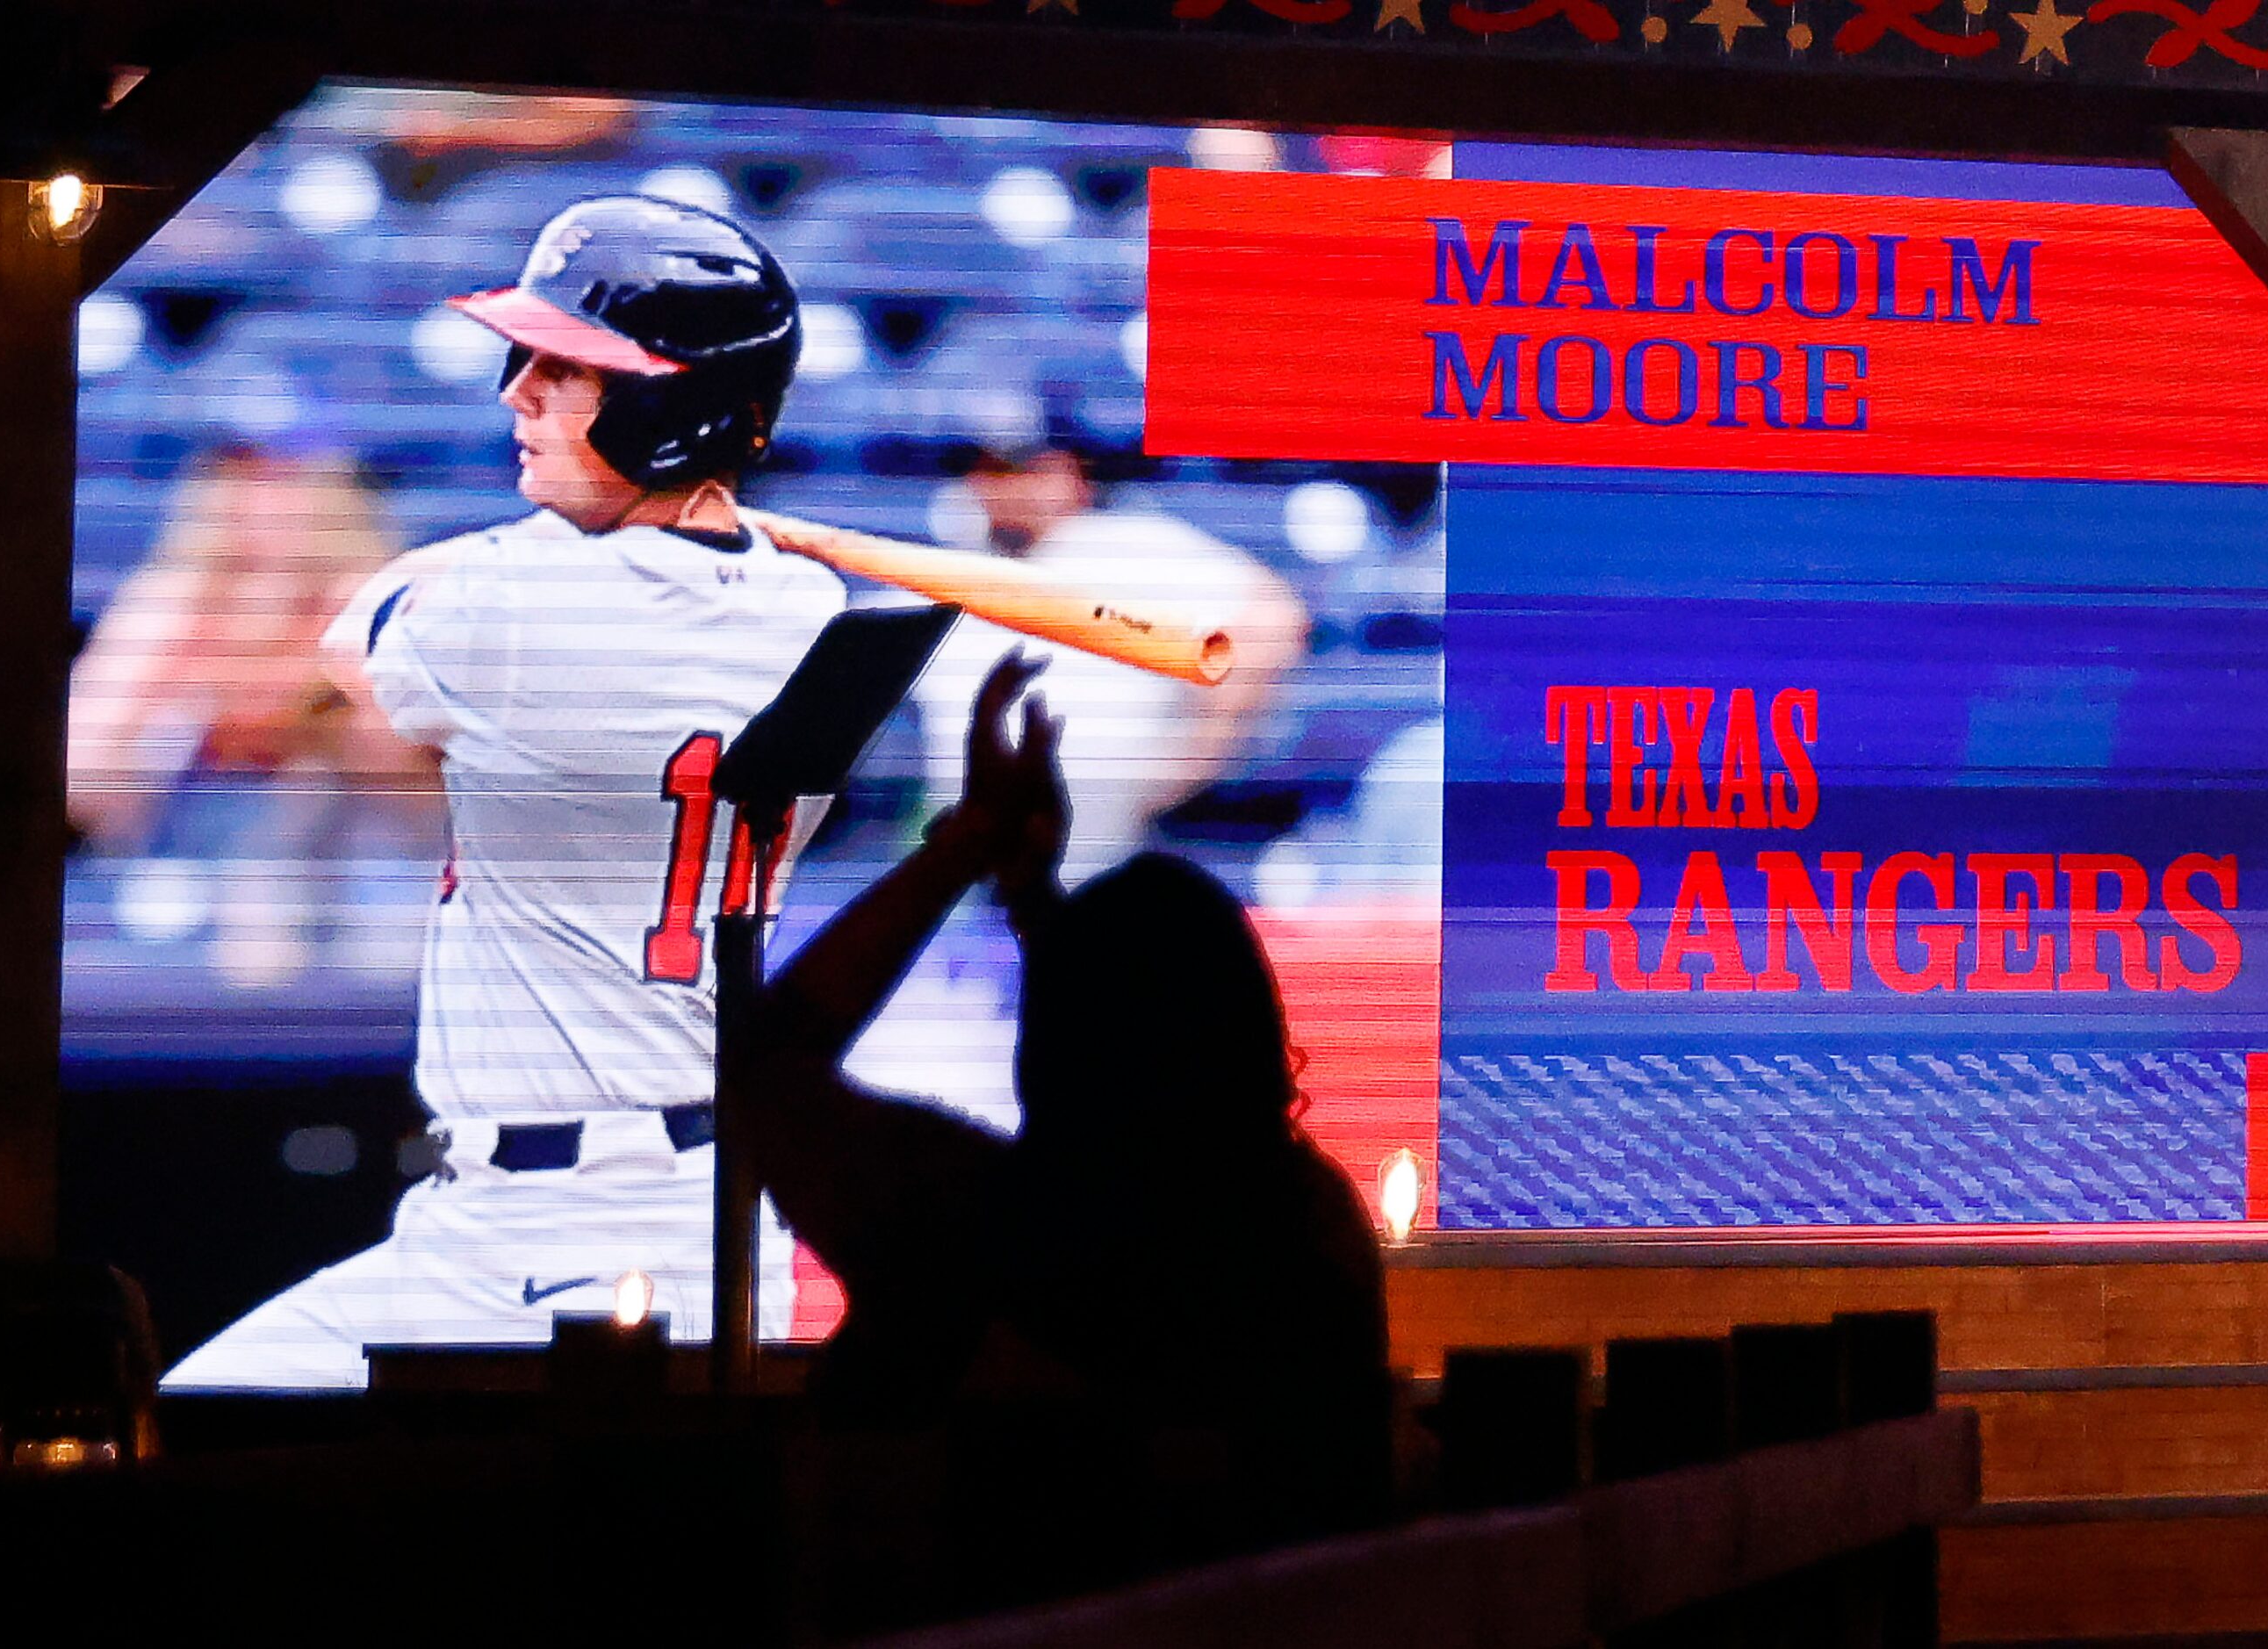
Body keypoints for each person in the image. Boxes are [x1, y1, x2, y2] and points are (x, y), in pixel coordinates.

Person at [162, 197, 847, 1390]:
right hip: (562, 1209)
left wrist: (556, 538)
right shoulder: (815, 610)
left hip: (607, 1238)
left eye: (564, 368)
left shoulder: (519, 602)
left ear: (662, 407)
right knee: (202, 1409)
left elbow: (341, 642)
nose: (515, 392)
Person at [741, 653, 1393, 1545]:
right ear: (1260, 1037)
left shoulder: (961, 1233)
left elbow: (770, 1062)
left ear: (1042, 1048)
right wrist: (1041, 908)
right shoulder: (1311, 1240)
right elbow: (1152, 1067)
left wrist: (973, 843)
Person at [66, 447, 441, 987]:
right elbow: (81, 786)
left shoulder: (375, 601)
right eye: (245, 477)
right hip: (187, 858)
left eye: (290, 480)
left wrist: (321, 705)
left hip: (365, 871)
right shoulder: (170, 602)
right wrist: (174, 688)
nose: (267, 503)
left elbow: (423, 798)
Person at [911, 441, 1308, 879]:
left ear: (1070, 472)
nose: (1008, 488)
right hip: (963, 873)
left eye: (1025, 470)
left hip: (1095, 872)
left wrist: (1196, 755)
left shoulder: (1123, 546)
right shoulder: (952, 556)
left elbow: (1273, 619)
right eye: (991, 472)